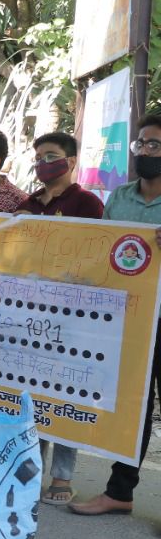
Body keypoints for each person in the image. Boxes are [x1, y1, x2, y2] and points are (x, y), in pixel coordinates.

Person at [70, 116, 161, 516]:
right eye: (140, 145)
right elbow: (108, 253)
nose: (145, 152)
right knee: (133, 404)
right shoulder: (120, 197)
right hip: (131, 319)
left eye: (154, 145)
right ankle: (119, 492)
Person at [5, 132, 100, 505]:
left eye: (52, 156)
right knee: (33, 394)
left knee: (66, 395)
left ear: (71, 161)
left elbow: (91, 252)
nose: (44, 162)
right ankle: (32, 469)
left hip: (72, 312)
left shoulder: (86, 202)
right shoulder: (27, 204)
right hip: (29, 313)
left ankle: (62, 476)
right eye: (39, 156)